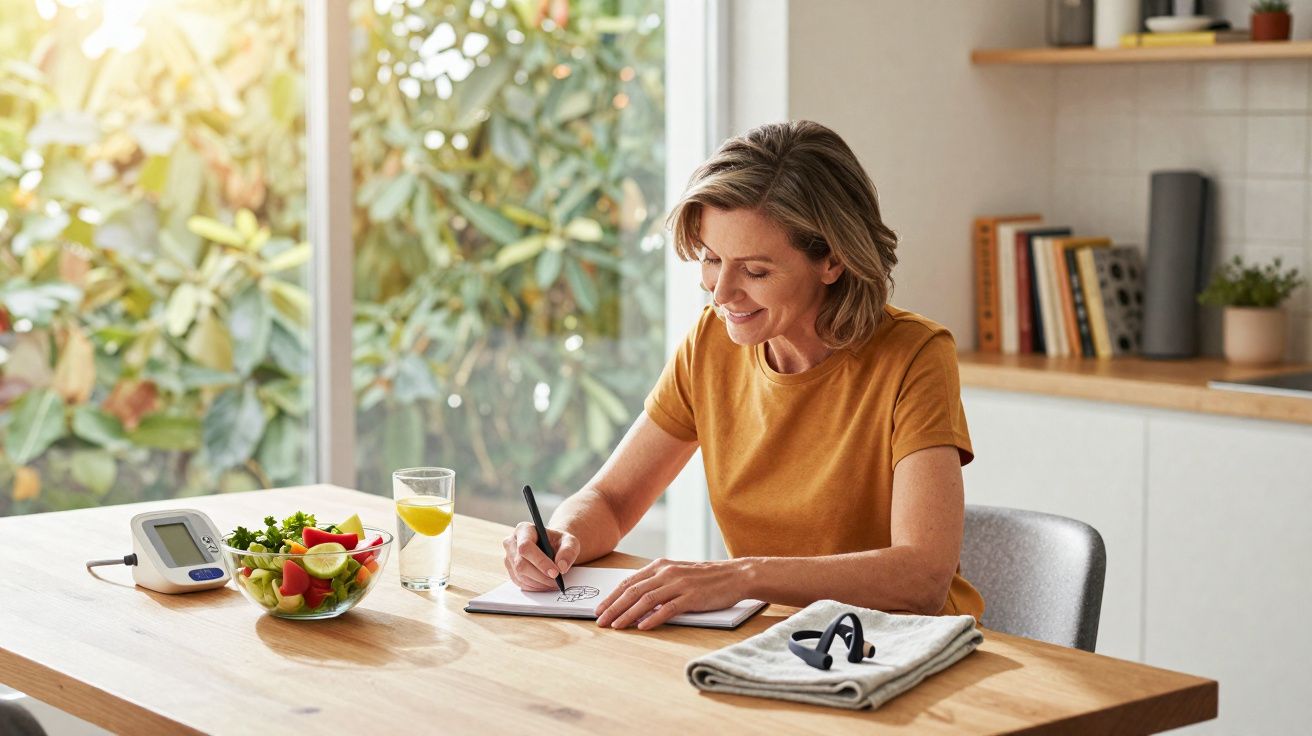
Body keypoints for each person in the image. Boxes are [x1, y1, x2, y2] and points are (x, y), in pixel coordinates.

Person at [501, 120, 984, 630]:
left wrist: (739, 576)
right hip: (777, 641)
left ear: (833, 261)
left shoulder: (914, 356)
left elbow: (923, 578)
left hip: (907, 649)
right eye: (711, 259)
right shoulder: (710, 343)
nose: (721, 292)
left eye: (755, 271)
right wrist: (561, 537)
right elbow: (612, 501)